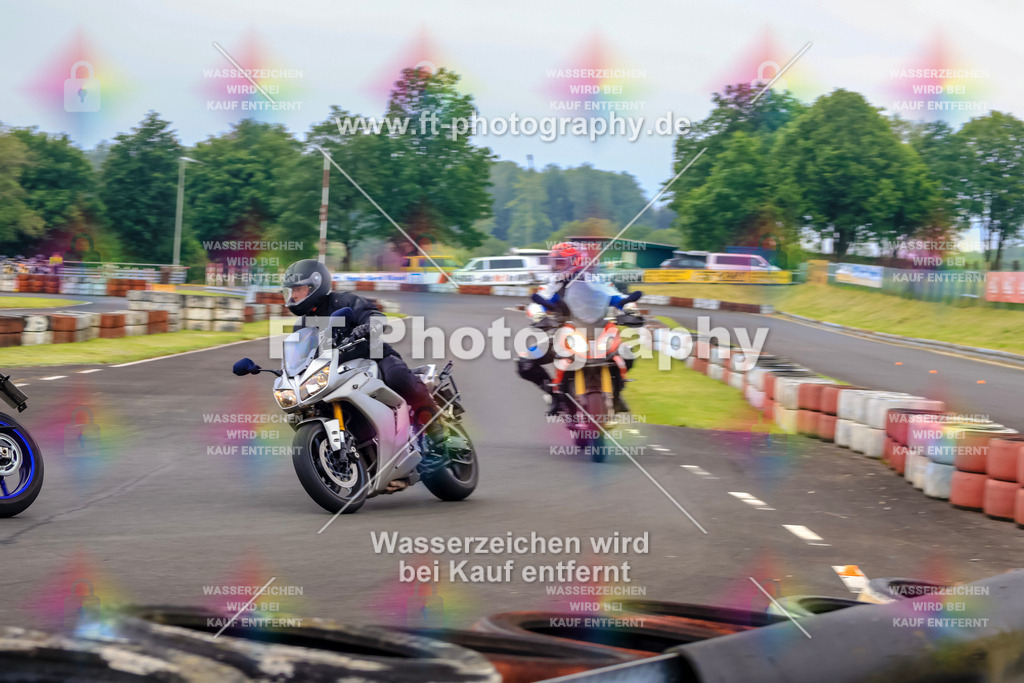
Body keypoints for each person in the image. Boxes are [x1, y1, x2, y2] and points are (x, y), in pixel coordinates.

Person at [281, 259, 446, 444]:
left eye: (298, 289)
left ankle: (435, 425)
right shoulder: (301, 326)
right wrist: (289, 372)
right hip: (336, 374)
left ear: (315, 286)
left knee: (396, 377)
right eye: (291, 290)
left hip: (373, 357)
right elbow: (300, 357)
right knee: (311, 406)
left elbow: (374, 316)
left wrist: (367, 327)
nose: (293, 295)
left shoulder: (343, 301)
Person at [515, 242, 635, 415]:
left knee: (627, 353)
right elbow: (537, 302)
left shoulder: (597, 280)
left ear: (576, 261)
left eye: (561, 263)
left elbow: (619, 297)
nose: (556, 267)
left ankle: (617, 393)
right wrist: (539, 316)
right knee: (525, 362)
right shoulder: (553, 283)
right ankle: (554, 395)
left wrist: (630, 310)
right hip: (564, 332)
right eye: (554, 263)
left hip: (600, 330)